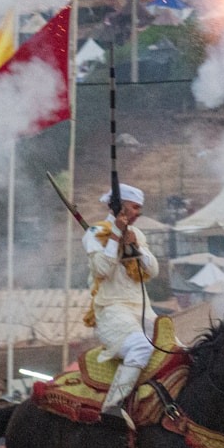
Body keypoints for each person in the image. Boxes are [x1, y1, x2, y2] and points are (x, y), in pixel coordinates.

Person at [83, 183, 159, 428]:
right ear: (121, 206)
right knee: (141, 347)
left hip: (142, 310)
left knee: (178, 352)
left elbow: (153, 270)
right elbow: (102, 270)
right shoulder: (94, 232)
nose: (138, 213)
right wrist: (115, 235)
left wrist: (133, 243)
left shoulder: (138, 234)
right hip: (111, 311)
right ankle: (112, 407)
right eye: (135, 207)